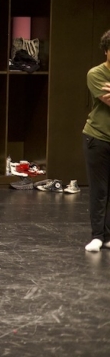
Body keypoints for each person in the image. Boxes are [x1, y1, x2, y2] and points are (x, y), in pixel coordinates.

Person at [82, 29, 110, 252]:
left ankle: (109, 235)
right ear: (106, 51)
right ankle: (98, 236)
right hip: (98, 137)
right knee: (99, 190)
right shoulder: (96, 74)